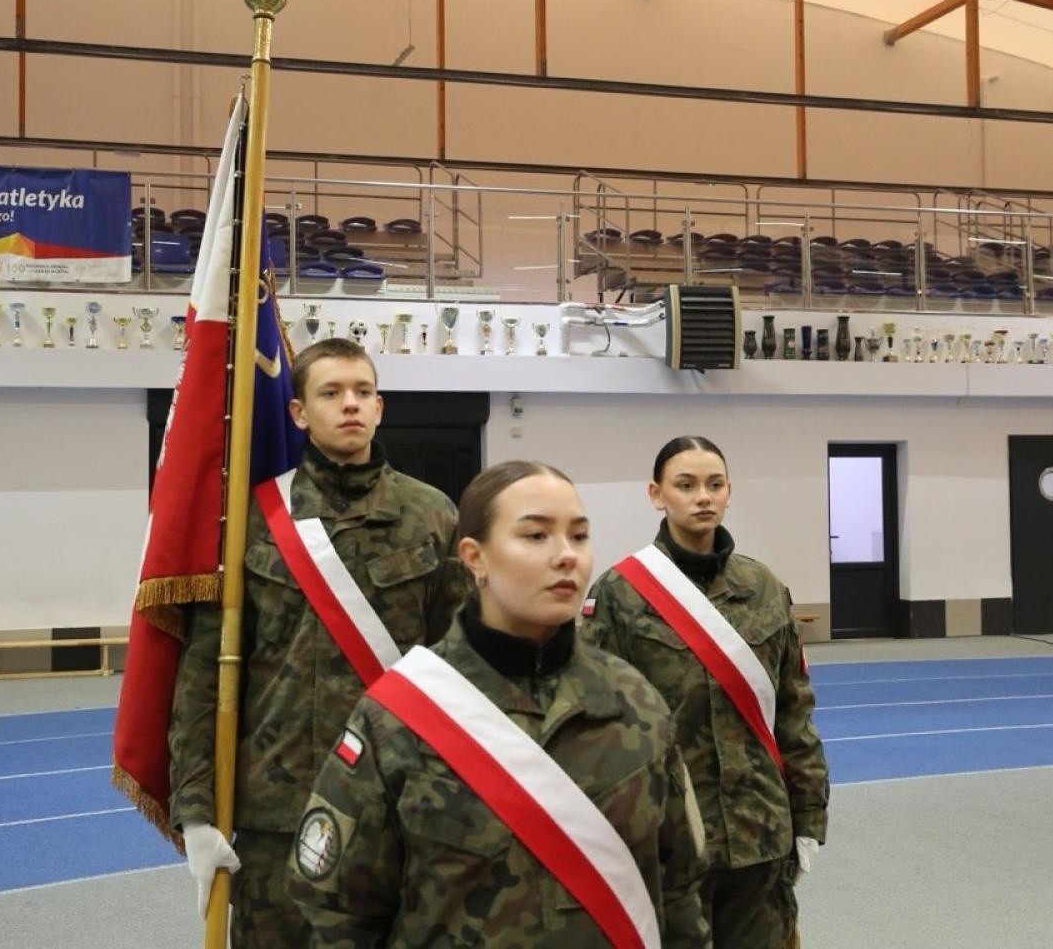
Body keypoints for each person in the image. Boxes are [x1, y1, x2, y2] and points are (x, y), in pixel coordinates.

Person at [287, 460, 711, 947]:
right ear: (475, 557)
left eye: (579, 536)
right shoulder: (399, 718)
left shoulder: (635, 701)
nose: (566, 556)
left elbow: (678, 893)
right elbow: (340, 915)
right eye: (535, 536)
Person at [168, 337, 471, 947]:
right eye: (331, 393)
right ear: (299, 413)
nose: (350, 405)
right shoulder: (249, 520)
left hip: (402, 802)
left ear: (381, 407)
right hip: (278, 808)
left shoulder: (432, 514)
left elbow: (463, 669)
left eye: (362, 392)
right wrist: (196, 812)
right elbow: (204, 676)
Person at [581, 436, 828, 948]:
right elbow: (598, 727)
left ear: (729, 491)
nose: (702, 497)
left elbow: (794, 711)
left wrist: (809, 817)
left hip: (760, 830)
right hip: (668, 837)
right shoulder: (619, 595)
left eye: (714, 484)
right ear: (656, 494)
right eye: (686, 485)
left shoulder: (763, 588)